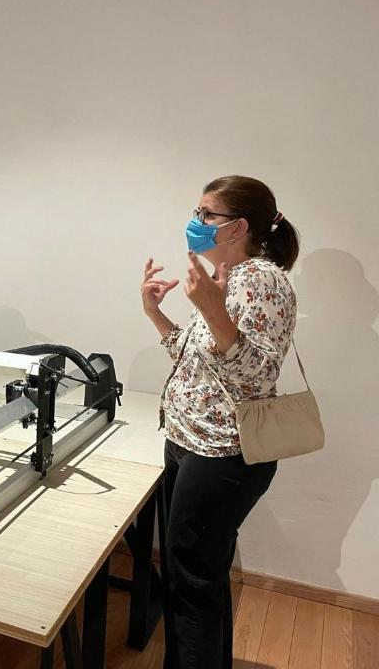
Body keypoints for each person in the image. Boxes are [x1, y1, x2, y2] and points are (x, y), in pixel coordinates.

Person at [141, 175, 300, 669]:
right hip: (191, 445)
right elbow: (198, 365)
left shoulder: (261, 279)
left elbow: (255, 378)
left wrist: (213, 311)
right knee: (193, 577)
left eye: (207, 214)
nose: (196, 222)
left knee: (191, 582)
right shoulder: (226, 280)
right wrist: (157, 315)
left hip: (223, 456)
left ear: (239, 227)